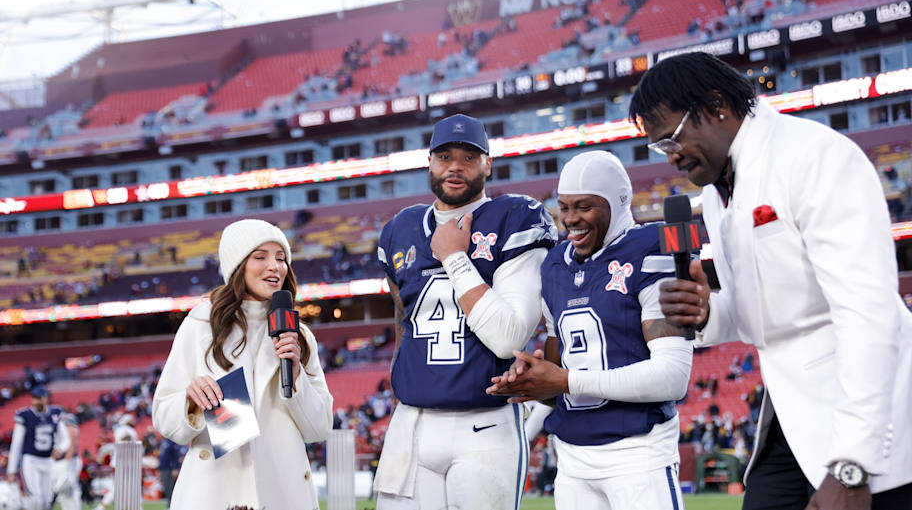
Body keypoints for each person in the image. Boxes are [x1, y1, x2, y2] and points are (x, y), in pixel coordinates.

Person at [630, 52, 912, 509]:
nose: (672, 156)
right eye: (660, 147)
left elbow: (867, 312)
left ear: (717, 106)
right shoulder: (718, 191)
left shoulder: (813, 156)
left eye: (673, 139)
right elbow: (760, 316)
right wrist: (707, 311)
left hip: (866, 416)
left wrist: (853, 464)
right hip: (789, 413)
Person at [486, 150, 693, 509]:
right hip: (572, 458)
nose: (570, 219)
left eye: (584, 206)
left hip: (637, 452)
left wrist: (565, 381)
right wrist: (531, 382)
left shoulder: (653, 248)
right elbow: (554, 382)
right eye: (564, 207)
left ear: (618, 202)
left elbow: (672, 377)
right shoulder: (554, 265)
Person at [372, 113, 558, 510]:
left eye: (469, 157)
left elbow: (508, 338)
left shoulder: (515, 216)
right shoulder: (400, 229)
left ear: (488, 163)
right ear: (429, 162)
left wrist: (454, 256)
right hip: (413, 422)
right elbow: (402, 316)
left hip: (484, 424)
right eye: (444, 156)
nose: (455, 166)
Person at [152, 219, 333, 510]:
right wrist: (191, 401)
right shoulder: (200, 325)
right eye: (260, 257)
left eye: (281, 258)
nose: (275, 266)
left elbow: (319, 428)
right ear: (237, 266)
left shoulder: (300, 336)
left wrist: (297, 375)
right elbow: (163, 416)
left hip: (283, 492)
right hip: (213, 490)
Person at [6, 386, 70, 510]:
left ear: (46, 398)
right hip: (31, 460)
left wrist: (60, 448)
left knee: (46, 500)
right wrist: (11, 470)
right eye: (34, 398)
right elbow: (16, 444)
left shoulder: (55, 413)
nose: (36, 402)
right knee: (35, 498)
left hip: (48, 460)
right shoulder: (25, 415)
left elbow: (66, 439)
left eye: (39, 398)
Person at [51, 411, 81, 510]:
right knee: (65, 490)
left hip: (69, 460)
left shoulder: (70, 427)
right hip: (68, 460)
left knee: (68, 487)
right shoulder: (68, 427)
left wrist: (67, 463)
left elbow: (71, 446)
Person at [157, 438, 183, 509]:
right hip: (164, 468)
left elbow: (176, 456)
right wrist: (159, 468)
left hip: (170, 468)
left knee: (170, 487)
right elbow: (161, 456)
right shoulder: (163, 442)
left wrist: (175, 467)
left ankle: (172, 505)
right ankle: (169, 504)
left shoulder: (172, 442)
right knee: (166, 487)